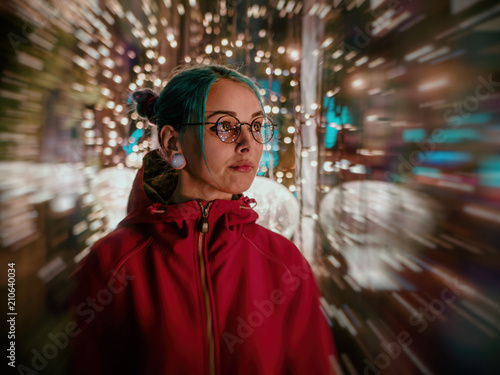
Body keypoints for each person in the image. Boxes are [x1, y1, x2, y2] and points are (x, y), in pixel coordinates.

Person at [70, 64, 337, 375]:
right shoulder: (112, 262)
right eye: (225, 126)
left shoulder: (284, 262)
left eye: (256, 126)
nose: (247, 143)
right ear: (172, 142)